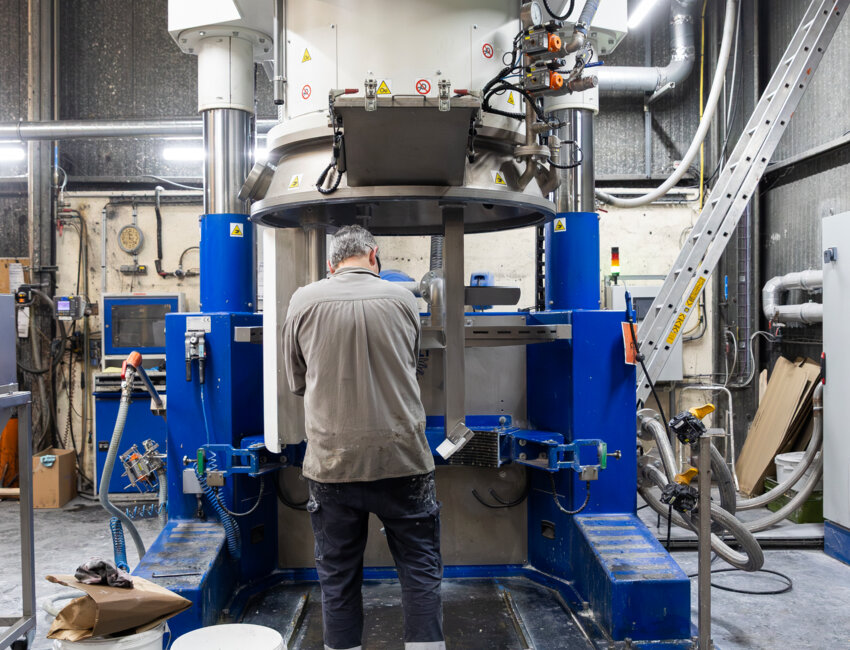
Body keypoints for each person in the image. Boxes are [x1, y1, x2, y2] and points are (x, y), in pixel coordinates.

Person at [283, 225, 444, 650]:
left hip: (333, 462)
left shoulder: (303, 300)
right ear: (374, 256)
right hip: (403, 458)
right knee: (420, 570)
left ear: (330, 264)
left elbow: (297, 380)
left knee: (338, 577)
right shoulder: (403, 300)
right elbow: (410, 363)